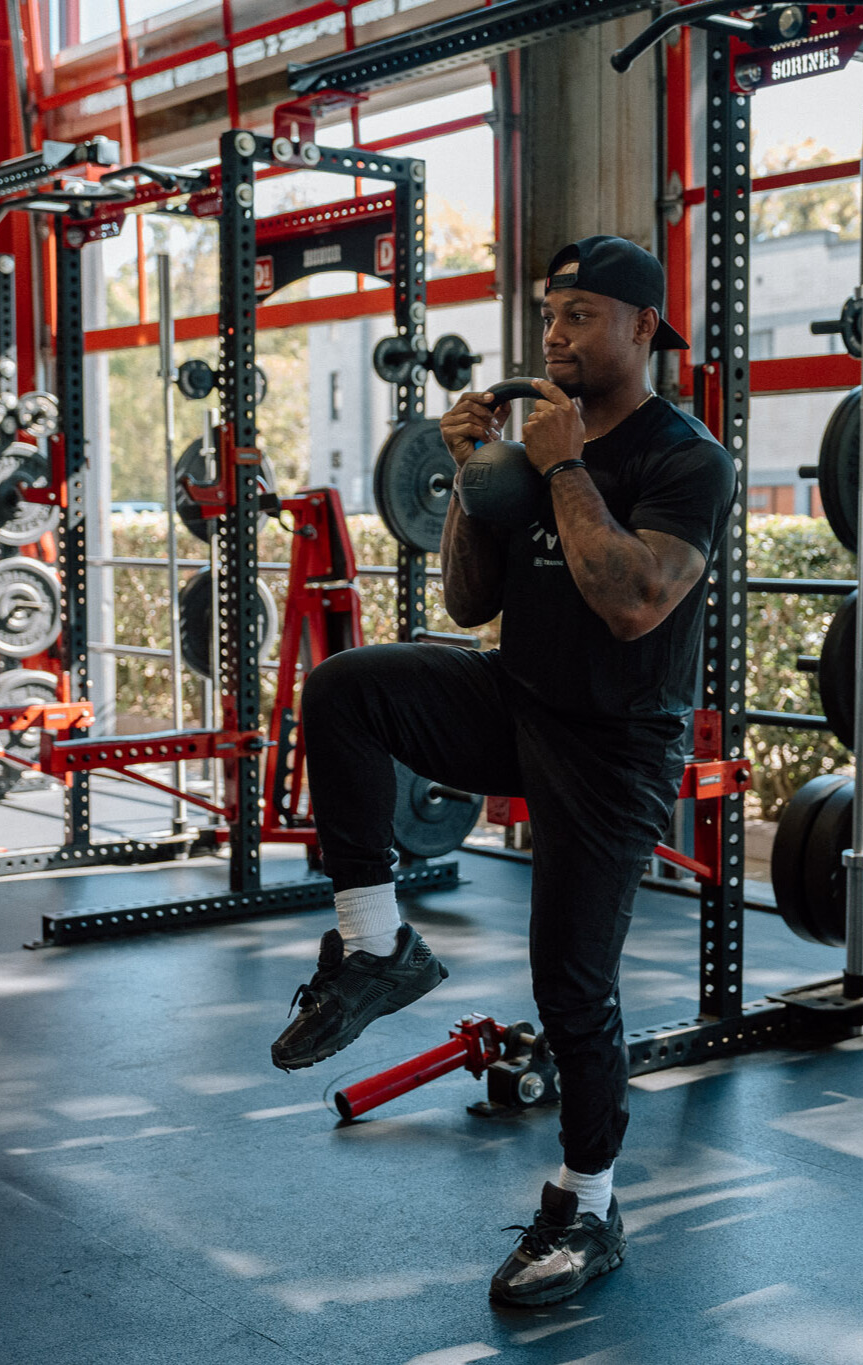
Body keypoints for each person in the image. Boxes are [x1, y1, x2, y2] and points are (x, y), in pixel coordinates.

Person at [272, 235, 737, 1307]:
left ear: (642, 330)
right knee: (345, 687)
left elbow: (630, 602)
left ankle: (588, 1204)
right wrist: (473, 483)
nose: (557, 335)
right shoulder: (532, 451)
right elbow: (471, 605)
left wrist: (564, 463)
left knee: (572, 986)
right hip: (516, 695)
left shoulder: (685, 458)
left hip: (616, 742)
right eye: (550, 316)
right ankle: (375, 948)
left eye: (580, 315)